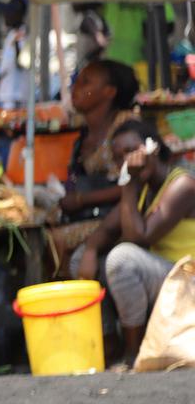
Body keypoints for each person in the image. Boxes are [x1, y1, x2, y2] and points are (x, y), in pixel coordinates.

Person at [74, 120, 195, 367]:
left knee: (123, 258)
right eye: (119, 158)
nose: (127, 161)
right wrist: (90, 249)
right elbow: (105, 230)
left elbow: (140, 237)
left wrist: (128, 183)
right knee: (80, 258)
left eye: (132, 151)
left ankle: (134, 351)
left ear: (155, 149)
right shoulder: (141, 189)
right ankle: (110, 341)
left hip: (186, 279)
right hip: (163, 275)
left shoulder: (183, 185)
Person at [49, 60, 139, 275]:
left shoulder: (126, 126)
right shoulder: (84, 132)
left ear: (109, 92)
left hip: (118, 218)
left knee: (54, 241)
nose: (76, 87)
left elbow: (133, 183)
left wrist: (81, 200)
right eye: (77, 80)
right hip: (90, 215)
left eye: (86, 82)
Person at [0, 0, 31, 109]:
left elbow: (21, 63)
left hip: (17, 97)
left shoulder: (24, 36)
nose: (4, 17)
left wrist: (17, 45)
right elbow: (4, 69)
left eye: (7, 13)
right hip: (6, 96)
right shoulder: (11, 35)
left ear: (17, 14)